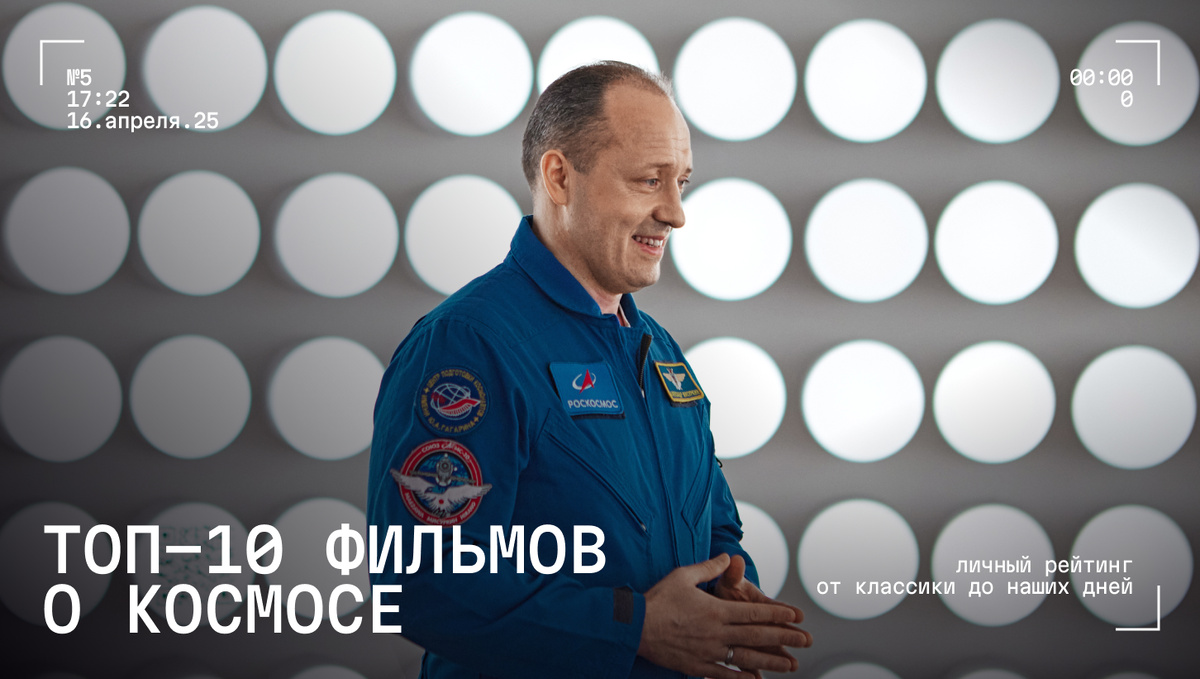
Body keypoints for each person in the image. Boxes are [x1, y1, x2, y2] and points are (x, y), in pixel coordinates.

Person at [368, 61, 812, 679]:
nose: (676, 212)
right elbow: (420, 585)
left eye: (681, 182)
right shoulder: (470, 346)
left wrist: (728, 588)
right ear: (559, 177)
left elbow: (711, 524)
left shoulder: (658, 352)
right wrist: (636, 628)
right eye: (649, 180)